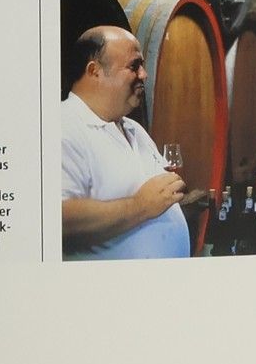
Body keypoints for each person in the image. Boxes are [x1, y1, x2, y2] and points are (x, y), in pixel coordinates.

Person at [59, 25, 190, 259]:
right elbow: (60, 221)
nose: (144, 75)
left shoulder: (133, 128)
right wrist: (140, 206)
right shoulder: (64, 126)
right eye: (134, 66)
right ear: (94, 71)